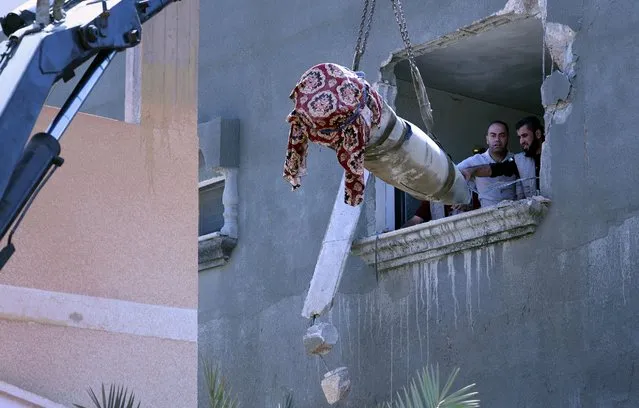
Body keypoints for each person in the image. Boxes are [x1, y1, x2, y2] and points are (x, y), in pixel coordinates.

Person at [460, 116, 544, 200]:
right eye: (519, 137)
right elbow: (496, 169)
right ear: (487, 139)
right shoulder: (519, 160)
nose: (521, 141)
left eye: (525, 136)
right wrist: (471, 171)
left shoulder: (554, 155)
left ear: (538, 134)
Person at [456, 120, 518, 208]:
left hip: (515, 213)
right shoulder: (475, 161)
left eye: (502, 135)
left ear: (507, 138)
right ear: (487, 139)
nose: (497, 139)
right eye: (493, 135)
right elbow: (453, 173)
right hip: (487, 215)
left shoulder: (517, 160)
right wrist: (460, 197)